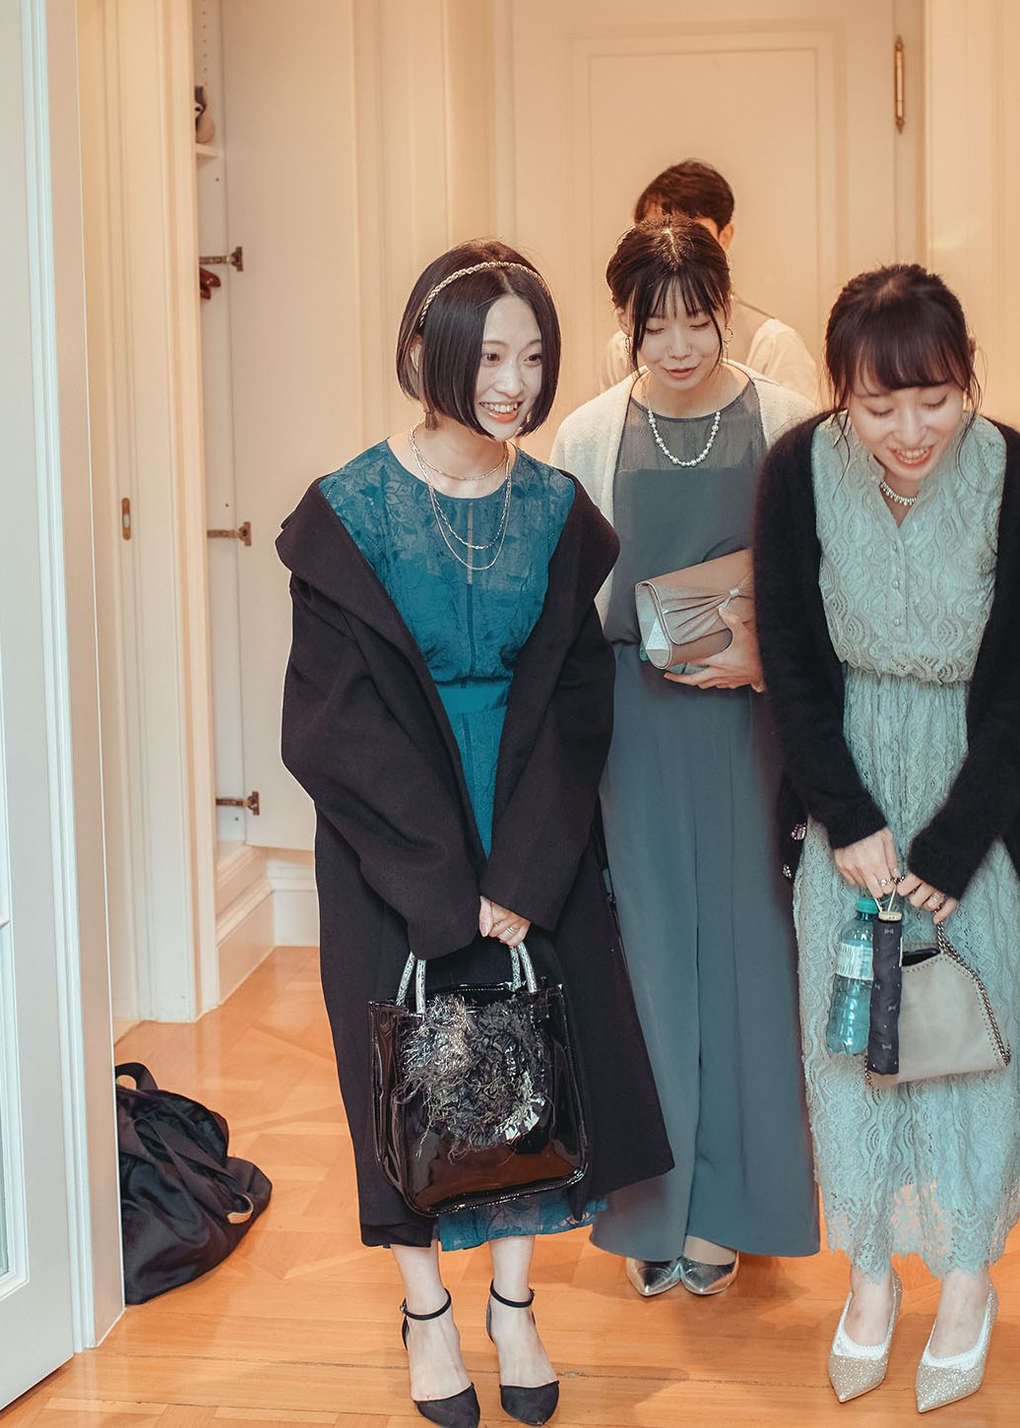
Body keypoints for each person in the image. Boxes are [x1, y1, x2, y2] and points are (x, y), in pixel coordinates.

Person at [278, 241, 672, 1428]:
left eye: (533, 355)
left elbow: (574, 702)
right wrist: (443, 886)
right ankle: (425, 1313)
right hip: (389, 844)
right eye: (490, 354)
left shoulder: (555, 509)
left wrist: (524, 870)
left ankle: (513, 1302)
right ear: (423, 353)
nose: (514, 380)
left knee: (528, 1065)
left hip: (529, 827)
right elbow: (331, 724)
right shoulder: (346, 512)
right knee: (402, 1067)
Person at [752, 266, 1020, 1411]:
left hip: (974, 805)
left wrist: (948, 847)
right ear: (838, 392)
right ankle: (872, 1278)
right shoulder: (796, 470)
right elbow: (791, 658)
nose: (906, 429)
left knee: (970, 1039)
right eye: (877, 405)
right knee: (855, 1042)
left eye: (933, 398)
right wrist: (846, 817)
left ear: (967, 374)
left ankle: (970, 1278)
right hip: (845, 795)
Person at [549, 220, 820, 1299]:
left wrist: (766, 651)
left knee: (754, 955)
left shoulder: (788, 418)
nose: (676, 343)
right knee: (645, 962)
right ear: (624, 320)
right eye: (651, 321)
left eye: (695, 318)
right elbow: (574, 606)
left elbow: (819, 577)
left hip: (754, 728)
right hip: (633, 725)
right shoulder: (586, 431)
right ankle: (653, 1212)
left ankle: (733, 1211)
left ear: (724, 306)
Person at [596, 160, 823, 403]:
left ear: (724, 237)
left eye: (693, 234)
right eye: (656, 232)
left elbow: (797, 436)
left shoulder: (774, 344)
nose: (672, 245)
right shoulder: (621, 350)